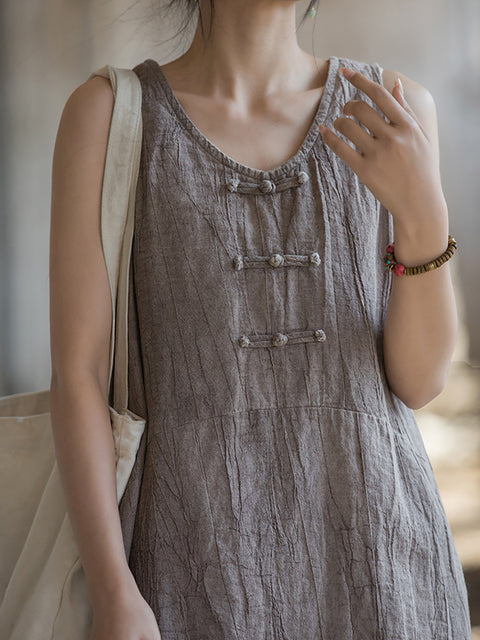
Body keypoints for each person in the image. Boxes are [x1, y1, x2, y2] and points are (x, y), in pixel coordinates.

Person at [49, 0, 471, 638]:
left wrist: (423, 220)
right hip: (187, 565)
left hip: (379, 563)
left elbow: (420, 381)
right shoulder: (109, 113)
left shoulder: (396, 108)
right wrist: (114, 591)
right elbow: (78, 374)